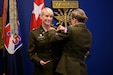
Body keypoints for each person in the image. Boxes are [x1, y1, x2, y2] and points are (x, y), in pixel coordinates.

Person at [48, 8, 92, 75]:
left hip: (68, 68)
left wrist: (51, 30)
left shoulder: (71, 30)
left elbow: (54, 39)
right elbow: (74, 37)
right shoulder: (88, 33)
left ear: (74, 20)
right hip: (81, 68)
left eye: (71, 19)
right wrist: (65, 30)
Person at [27, 7, 62, 75]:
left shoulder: (57, 31)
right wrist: (39, 61)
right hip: (41, 69)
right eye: (46, 16)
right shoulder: (34, 33)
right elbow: (30, 53)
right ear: (41, 17)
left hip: (56, 68)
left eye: (51, 16)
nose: (49, 19)